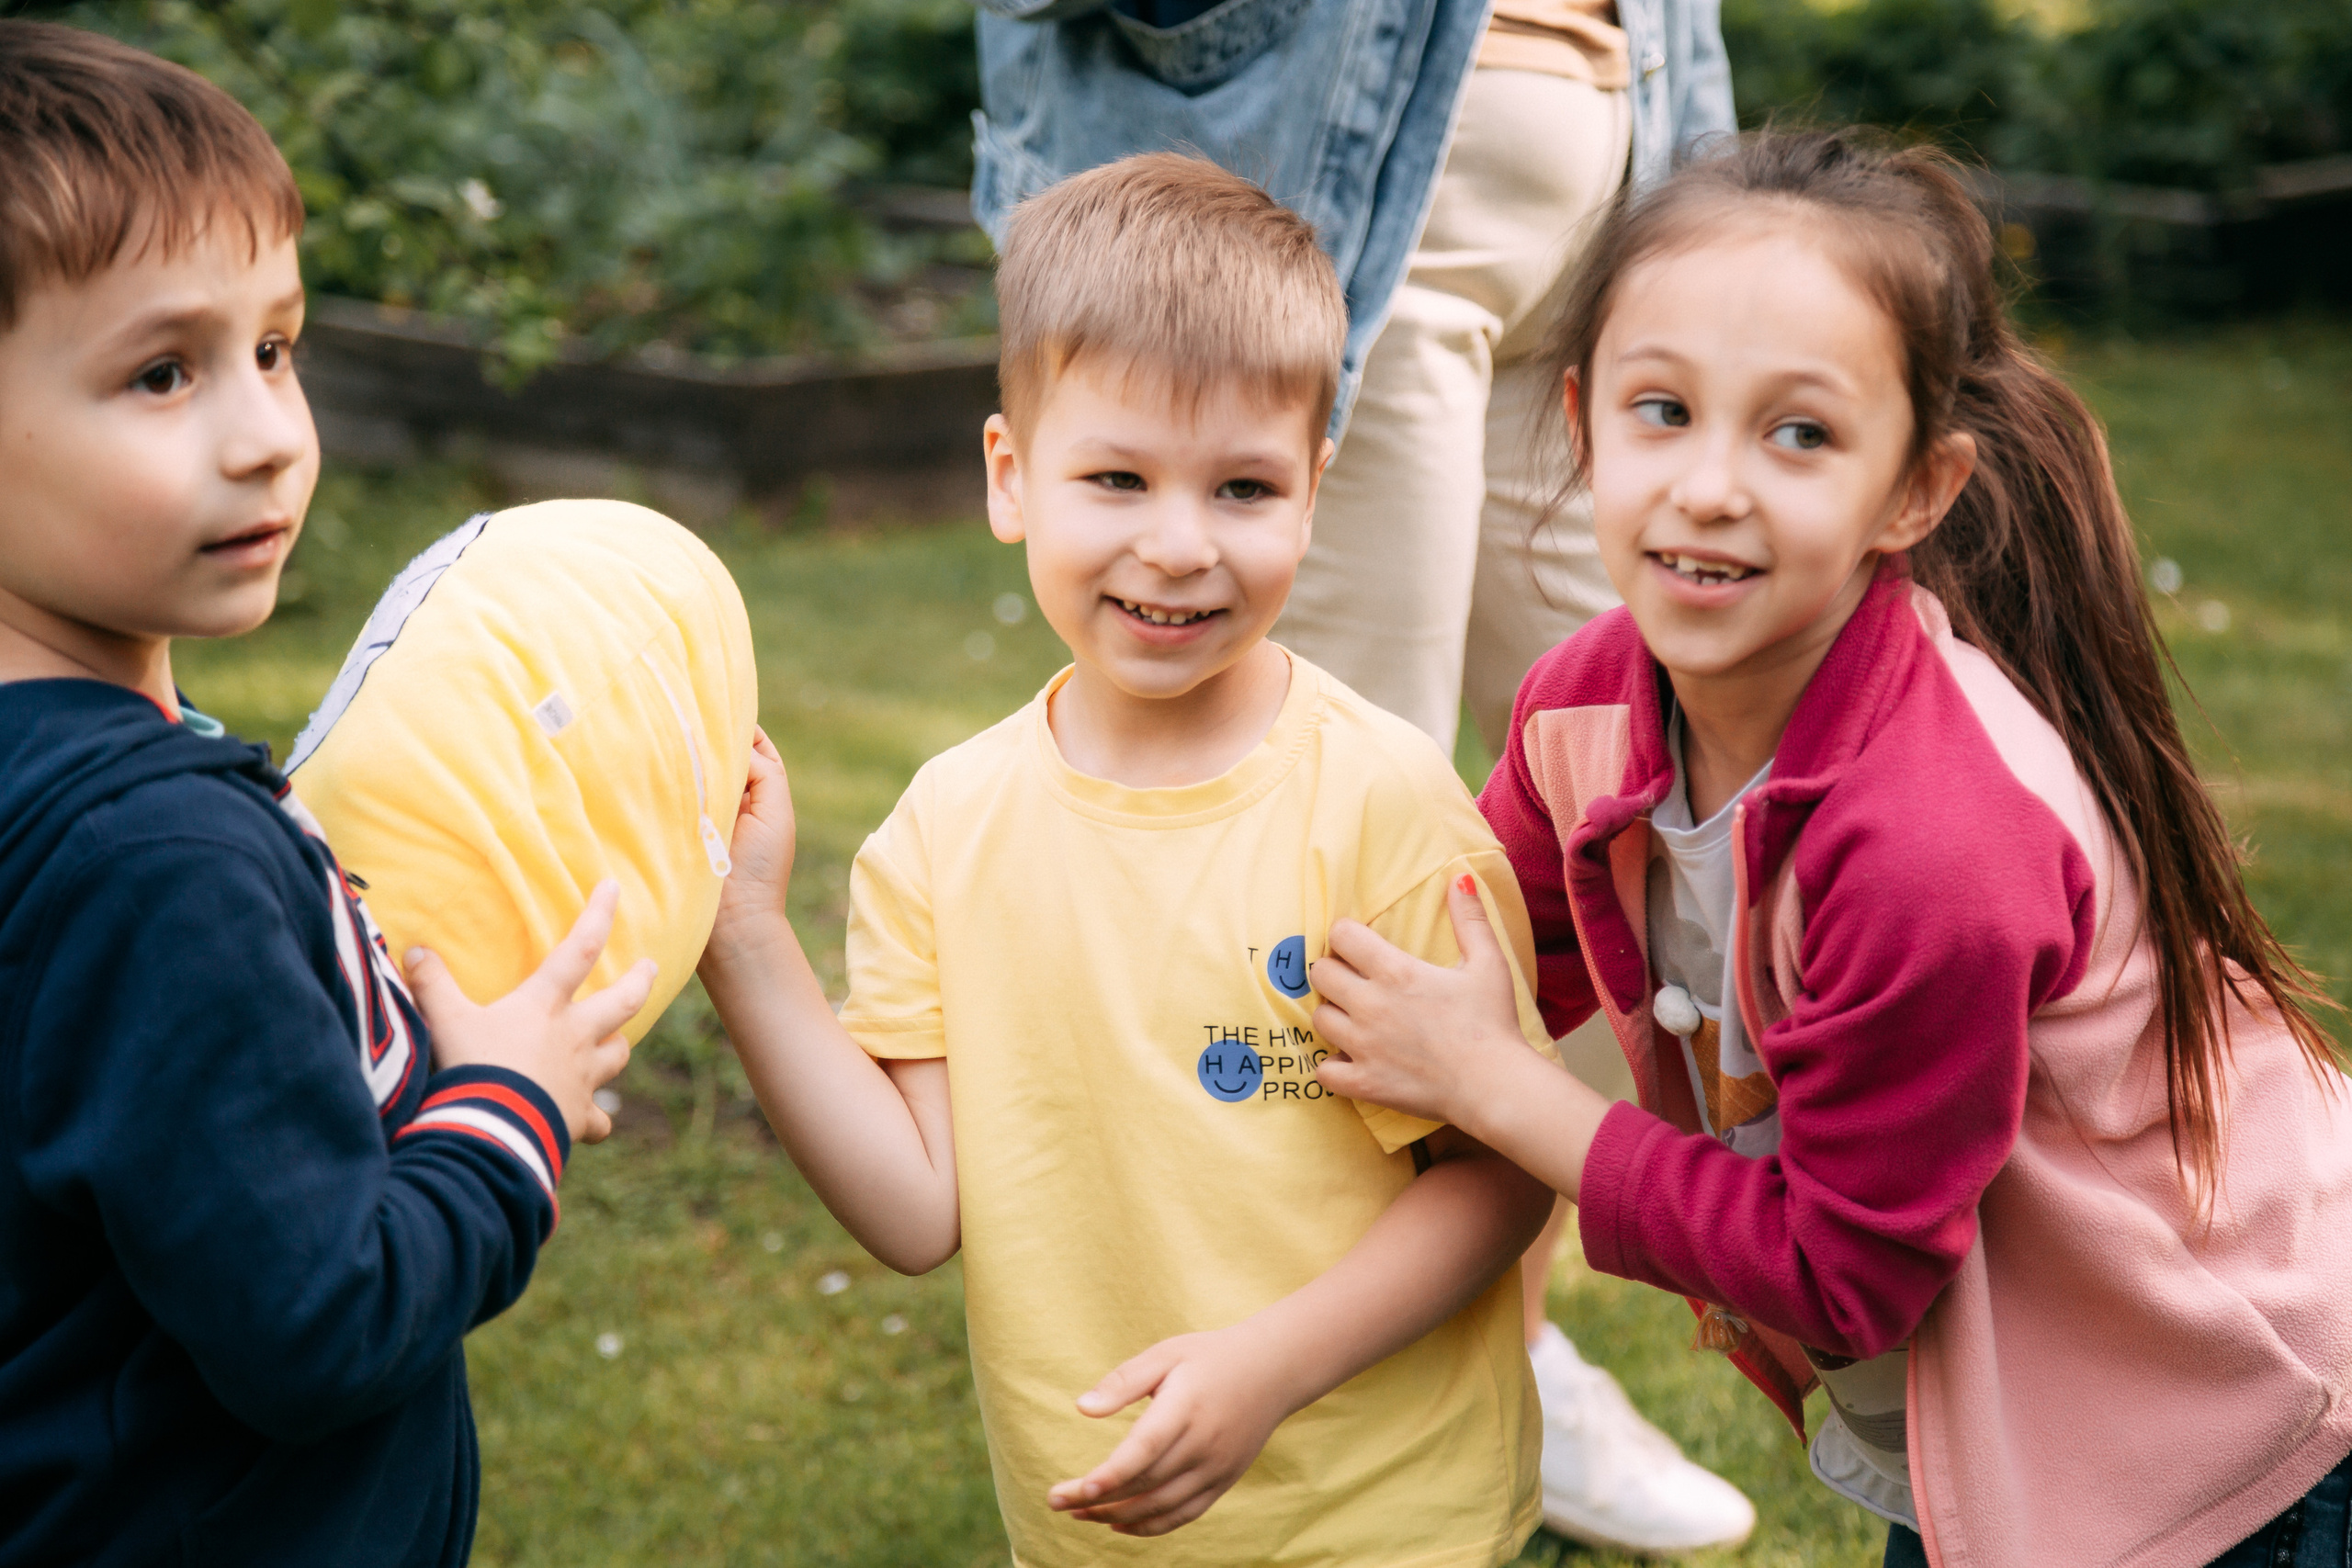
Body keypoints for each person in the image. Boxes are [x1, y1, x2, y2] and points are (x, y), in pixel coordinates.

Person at [1306, 127, 2352, 1568]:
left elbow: (1838, 1272)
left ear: (1916, 490)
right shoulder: (1586, 712)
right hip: (2009, 1417)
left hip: (2229, 1433)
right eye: (1661, 410)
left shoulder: (1933, 844)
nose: (1712, 485)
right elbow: (1450, 966)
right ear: (1582, 420)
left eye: (1798, 433)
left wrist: (1496, 1088)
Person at [699, 152, 1563, 1565]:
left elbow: (1504, 1171)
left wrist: (1268, 1365)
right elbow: (921, 1212)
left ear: (1314, 491)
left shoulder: (1382, 804)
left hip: (1387, 1520)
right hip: (1106, 1529)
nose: (1177, 546)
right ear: (1009, 477)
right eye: (1115, 478)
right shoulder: (941, 830)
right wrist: (745, 936)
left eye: (1241, 488)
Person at [965, 4, 1753, 1548]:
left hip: (1614, 209)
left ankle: (1499, 1342)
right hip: (1351, 195)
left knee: (1630, 845)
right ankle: (1246, 1399)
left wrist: (1709, 221)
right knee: (1307, 875)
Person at [0, 25, 652, 1565]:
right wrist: (509, 1111)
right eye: (163, 372)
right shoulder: (153, 858)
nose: (268, 437)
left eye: (275, 350)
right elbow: (321, 1318)